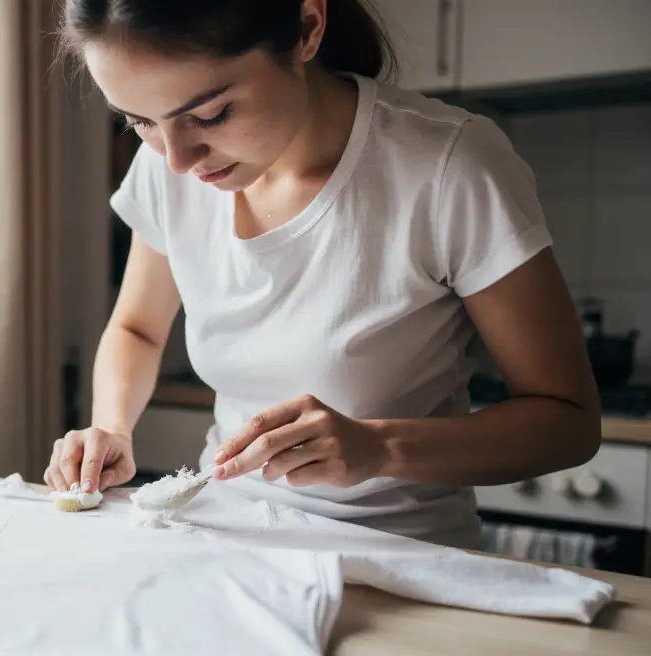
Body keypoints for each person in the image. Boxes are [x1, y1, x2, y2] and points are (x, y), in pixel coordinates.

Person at [44, 0, 601, 548]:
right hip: (226, 539)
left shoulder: (448, 165)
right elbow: (138, 329)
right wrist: (111, 427)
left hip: (398, 562)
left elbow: (568, 423)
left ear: (307, 28)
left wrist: (381, 447)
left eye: (211, 114)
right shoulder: (165, 169)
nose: (179, 161)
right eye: (138, 122)